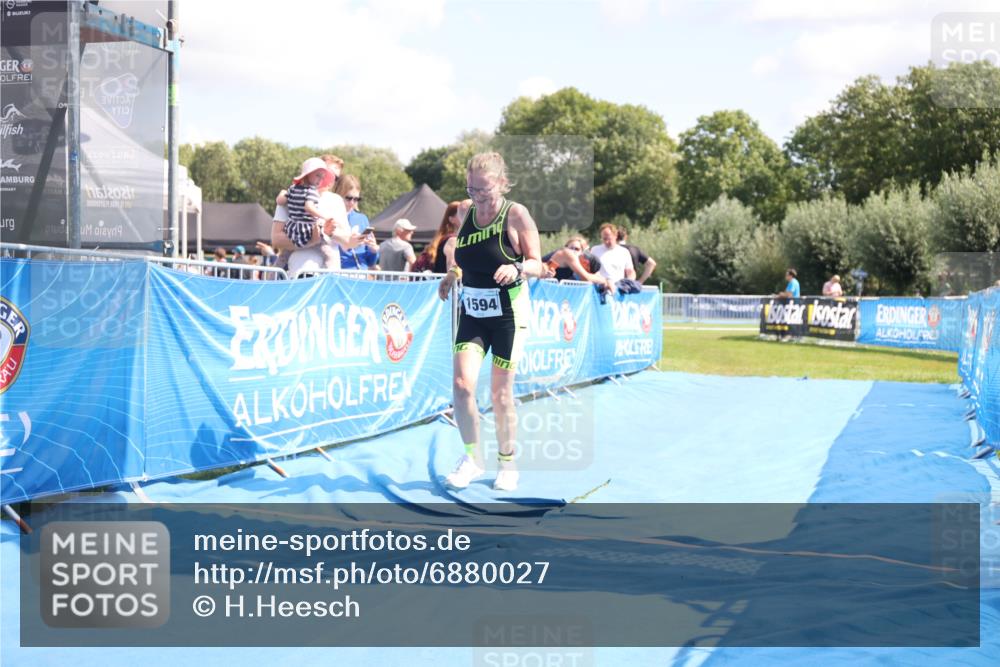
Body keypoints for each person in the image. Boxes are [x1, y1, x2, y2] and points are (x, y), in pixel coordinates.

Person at [437, 151, 543, 492]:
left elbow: (539, 263)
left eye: (483, 190)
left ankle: (508, 461)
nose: (477, 196)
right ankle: (472, 458)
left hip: (509, 315)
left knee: (500, 393)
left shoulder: (516, 214)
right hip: (474, 312)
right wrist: (453, 273)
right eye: (471, 189)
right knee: (462, 384)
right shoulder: (465, 212)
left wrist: (517, 268)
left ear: (501, 183)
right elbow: (468, 256)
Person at [283, 157, 339, 269]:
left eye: (322, 177)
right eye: (318, 175)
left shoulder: (292, 188)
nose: (320, 180)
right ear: (307, 174)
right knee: (330, 255)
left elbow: (281, 200)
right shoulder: (312, 191)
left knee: (283, 256)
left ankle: (270, 279)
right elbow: (309, 207)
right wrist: (325, 216)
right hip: (307, 229)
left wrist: (281, 194)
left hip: (292, 228)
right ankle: (332, 277)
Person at [336, 174, 379, 271]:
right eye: (348, 198)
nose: (352, 202)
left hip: (361, 275)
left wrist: (373, 250)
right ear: (338, 195)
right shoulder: (329, 216)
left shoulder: (362, 218)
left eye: (356, 199)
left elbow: (371, 262)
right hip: (338, 274)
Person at [542, 235, 613, 293]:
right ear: (566, 248)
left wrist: (607, 281)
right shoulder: (568, 254)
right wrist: (604, 281)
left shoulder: (582, 261)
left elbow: (596, 275)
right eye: (570, 248)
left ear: (583, 252)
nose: (573, 251)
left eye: (576, 249)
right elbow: (586, 278)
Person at [415, 201, 461, 273]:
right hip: (446, 282)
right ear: (452, 219)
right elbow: (452, 265)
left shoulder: (441, 238)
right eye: (462, 214)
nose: (467, 217)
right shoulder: (452, 240)